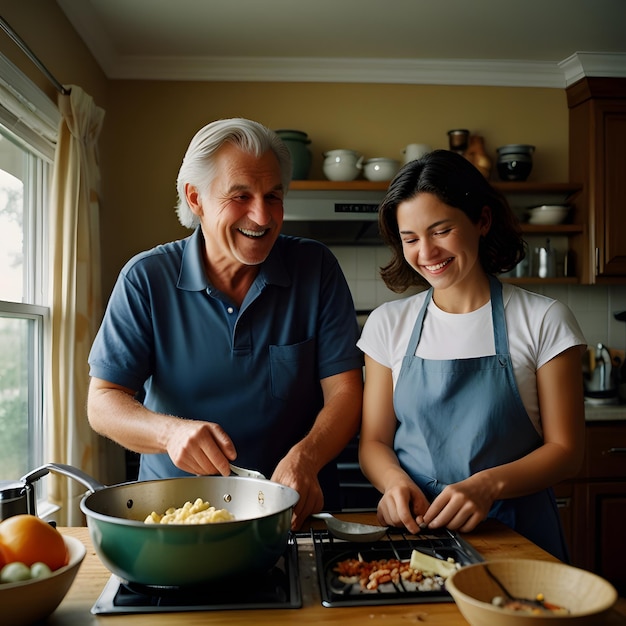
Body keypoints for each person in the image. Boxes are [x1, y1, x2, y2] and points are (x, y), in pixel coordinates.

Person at [87, 118, 364, 529]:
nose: (262, 215)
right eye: (241, 195)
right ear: (195, 198)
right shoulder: (145, 278)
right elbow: (103, 402)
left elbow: (345, 392)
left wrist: (305, 458)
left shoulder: (316, 267)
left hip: (298, 512)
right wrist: (170, 434)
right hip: (178, 518)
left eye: (274, 196)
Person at [357, 149, 586, 560]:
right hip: (420, 533)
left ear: (482, 221)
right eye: (410, 239)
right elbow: (374, 440)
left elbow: (566, 451)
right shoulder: (387, 324)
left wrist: (487, 485)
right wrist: (394, 483)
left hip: (518, 532)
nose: (425, 253)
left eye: (441, 230)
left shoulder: (544, 319)